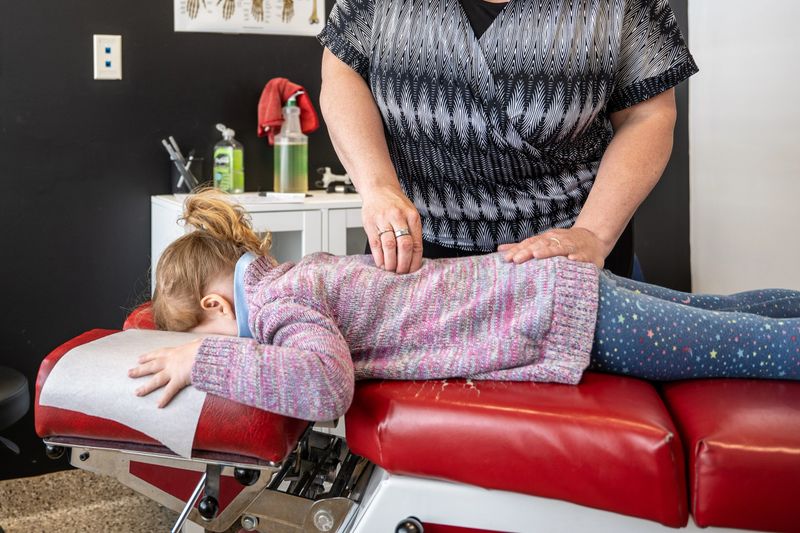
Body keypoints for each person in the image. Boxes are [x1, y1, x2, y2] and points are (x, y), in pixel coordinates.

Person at [129, 192, 800, 421]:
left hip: (559, 313)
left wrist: (205, 358)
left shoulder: (279, 304)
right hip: (555, 288)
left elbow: (324, 384)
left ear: (218, 303)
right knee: (730, 314)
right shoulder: (296, 274)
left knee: (749, 348)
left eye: (209, 327)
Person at [317, 0, 698, 276]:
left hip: (562, 253)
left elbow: (648, 115)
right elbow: (342, 73)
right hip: (411, 246)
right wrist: (376, 186)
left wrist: (593, 233)